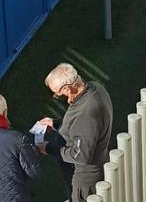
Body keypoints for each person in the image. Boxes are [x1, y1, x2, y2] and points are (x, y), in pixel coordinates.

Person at [38, 63, 114, 202]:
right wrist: (56, 123)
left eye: (57, 94)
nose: (57, 96)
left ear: (67, 89)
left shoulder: (85, 113)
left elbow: (80, 155)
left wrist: (48, 148)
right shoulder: (95, 88)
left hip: (85, 180)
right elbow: (83, 127)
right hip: (97, 166)